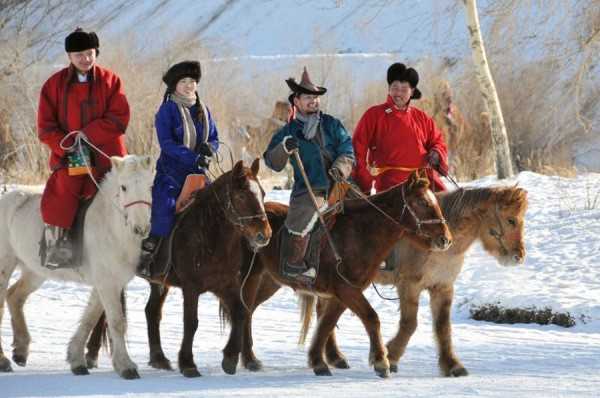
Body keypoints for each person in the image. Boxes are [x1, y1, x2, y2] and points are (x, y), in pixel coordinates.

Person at [38, 27, 130, 268]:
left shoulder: (111, 81)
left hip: (108, 155)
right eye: (79, 54)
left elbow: (119, 118)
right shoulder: (53, 85)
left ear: (96, 52)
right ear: (69, 56)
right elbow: (45, 127)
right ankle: (59, 245)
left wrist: (87, 134)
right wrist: (67, 144)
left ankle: (140, 245)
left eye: (90, 53)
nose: (86, 59)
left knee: (132, 189)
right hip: (71, 155)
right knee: (65, 187)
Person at [352, 62, 449, 270]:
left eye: (404, 89)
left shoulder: (421, 118)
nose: (398, 93)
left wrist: (435, 153)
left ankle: (441, 256)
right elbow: (358, 147)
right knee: (395, 218)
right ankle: (390, 261)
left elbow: (438, 141)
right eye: (394, 87)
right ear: (389, 88)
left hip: (422, 180)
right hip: (391, 183)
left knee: (446, 208)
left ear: (412, 92)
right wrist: (365, 179)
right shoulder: (374, 115)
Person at [264, 67, 354, 280]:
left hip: (339, 184)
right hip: (309, 188)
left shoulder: (332, 124)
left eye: (315, 97)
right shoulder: (288, 132)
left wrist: (341, 168)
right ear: (296, 101)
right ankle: (294, 263)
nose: (313, 101)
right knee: (308, 209)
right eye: (307, 97)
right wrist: (284, 147)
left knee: (366, 208)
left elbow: (347, 149)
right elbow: (271, 161)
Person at [137, 60, 219, 278]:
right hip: (171, 173)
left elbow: (214, 137)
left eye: (192, 81)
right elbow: (167, 143)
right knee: (165, 206)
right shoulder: (167, 110)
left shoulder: (204, 109)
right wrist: (193, 157)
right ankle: (150, 255)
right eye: (184, 81)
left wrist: (209, 148)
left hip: (198, 174)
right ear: (174, 85)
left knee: (218, 206)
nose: (189, 85)